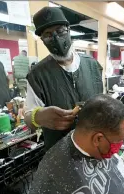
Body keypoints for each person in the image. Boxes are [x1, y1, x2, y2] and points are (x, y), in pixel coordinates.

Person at [29, 94, 124, 194]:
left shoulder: (93, 146)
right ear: (97, 139)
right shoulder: (54, 179)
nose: (121, 146)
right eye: (118, 141)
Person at [25, 7, 103, 151]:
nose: (55, 38)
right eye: (48, 35)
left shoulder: (92, 66)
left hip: (92, 146)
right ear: (42, 39)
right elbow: (28, 117)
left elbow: (102, 100)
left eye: (60, 31)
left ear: (68, 29)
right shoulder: (37, 75)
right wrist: (39, 117)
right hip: (59, 153)